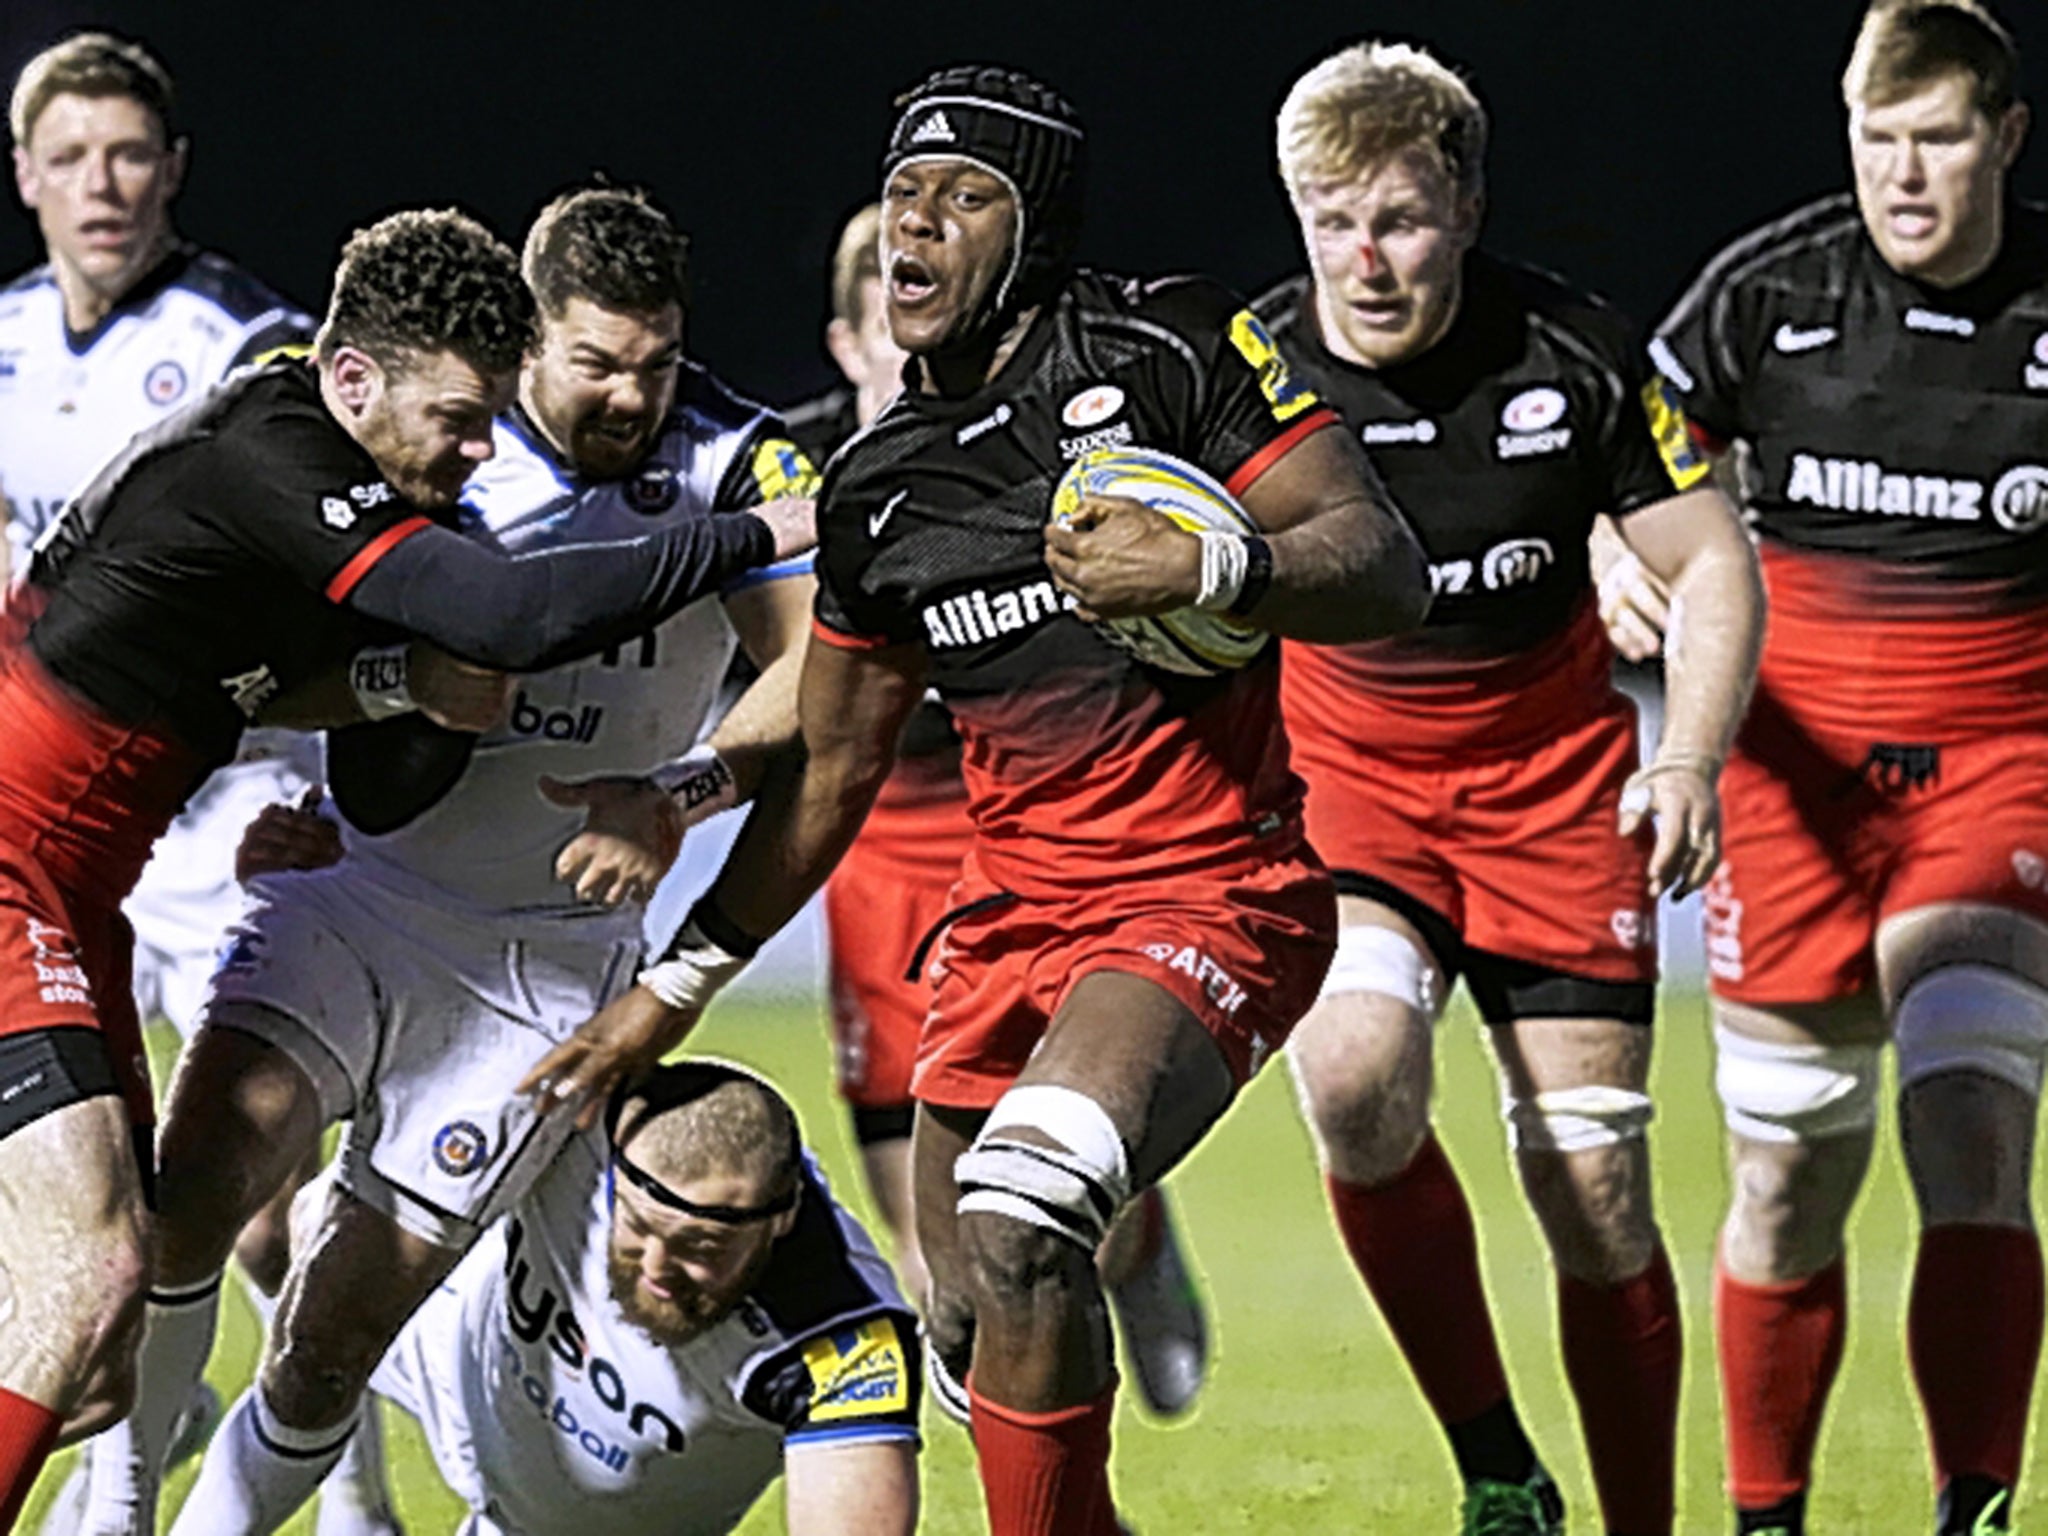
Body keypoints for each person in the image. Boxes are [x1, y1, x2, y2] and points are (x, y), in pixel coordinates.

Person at [522, 64, 1432, 1535]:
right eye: (901, 197)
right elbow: (831, 763)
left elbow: (1380, 561)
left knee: (1020, 1220)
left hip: (1211, 893)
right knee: (965, 1314)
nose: (915, 229)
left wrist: (1218, 568)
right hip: (1006, 929)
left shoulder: (1170, 350)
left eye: (962, 197)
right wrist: (679, 982)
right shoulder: (882, 492)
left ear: (1038, 228)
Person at [0, 201, 810, 1529]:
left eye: (657, 366)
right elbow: (511, 612)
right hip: (104, 872)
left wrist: (668, 785)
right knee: (112, 1258)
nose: (628, 395)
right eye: (596, 363)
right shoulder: (304, 454)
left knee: (189, 1317)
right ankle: (118, 1512)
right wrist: (774, 530)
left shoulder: (695, 449)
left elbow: (253, 679)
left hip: (508, 954)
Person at [1255, 42, 1764, 1536]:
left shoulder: (1578, 354)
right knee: (1351, 1078)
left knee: (1599, 1205)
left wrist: (1687, 755)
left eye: (1399, 218)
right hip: (1346, 791)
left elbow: (1716, 563)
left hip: (1554, 803)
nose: (1365, 257)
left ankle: (1638, 1525)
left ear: (1466, 205)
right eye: (1331, 218)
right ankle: (1494, 1465)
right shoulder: (1252, 371)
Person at [1644, 3, 2042, 1531]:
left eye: (1938, 137)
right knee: (1787, 1182)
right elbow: (1648, 458)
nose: (1906, 174)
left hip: (1997, 772)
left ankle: (1976, 1505)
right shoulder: (1772, 292)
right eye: (1879, 140)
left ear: (2003, 136)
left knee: (1969, 1116)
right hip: (1789, 791)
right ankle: (1767, 1514)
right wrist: (1637, 558)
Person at [0, 36, 380, 1529]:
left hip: (223, 812)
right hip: (57, 813)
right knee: (90, 1218)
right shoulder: (6, 339)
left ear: (172, 170)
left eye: (131, 154)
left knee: (251, 1203)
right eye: (73, 156)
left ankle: (343, 1502)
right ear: (27, 177)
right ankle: (120, 1472)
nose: (104, 185)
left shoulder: (248, 348)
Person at [786, 201, 1211, 1418]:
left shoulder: (1024, 450)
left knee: (1056, 1199)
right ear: (847, 341)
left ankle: (1135, 1251)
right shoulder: (804, 484)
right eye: (889, 322)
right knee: (942, 1273)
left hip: (1021, 838)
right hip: (875, 867)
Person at [360, 1059, 920, 1536]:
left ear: (781, 1221)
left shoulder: (844, 1342)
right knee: (295, 1235)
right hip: (452, 1337)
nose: (657, 1267)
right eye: (638, 1226)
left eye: (701, 1245)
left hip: (575, 1521)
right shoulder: (582, 1113)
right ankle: (354, 1517)